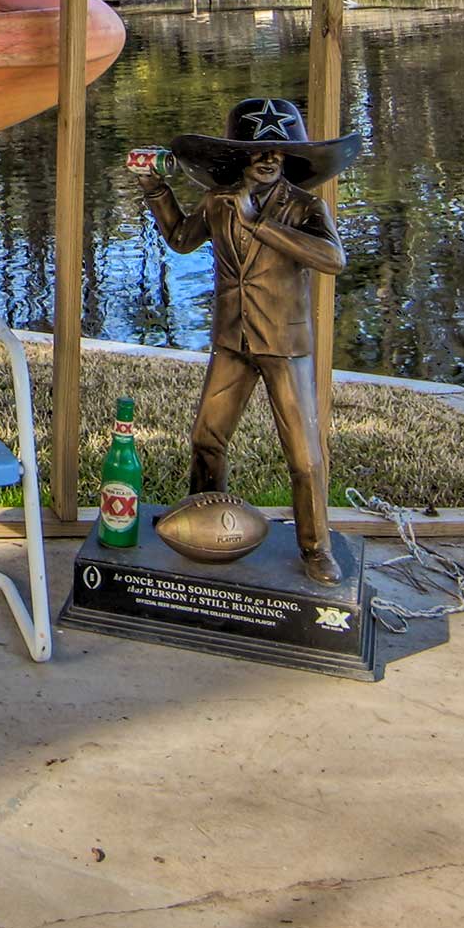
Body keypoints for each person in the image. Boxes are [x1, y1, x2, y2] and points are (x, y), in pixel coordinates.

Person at [132, 96, 357, 577]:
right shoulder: (218, 201)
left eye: (278, 150)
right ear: (241, 157)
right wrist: (156, 189)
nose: (269, 158)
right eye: (258, 151)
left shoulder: (304, 206)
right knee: (206, 436)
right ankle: (201, 527)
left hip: (283, 342)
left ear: (292, 157)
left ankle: (316, 549)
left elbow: (333, 259)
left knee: (303, 452)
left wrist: (259, 223)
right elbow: (180, 239)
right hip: (233, 340)